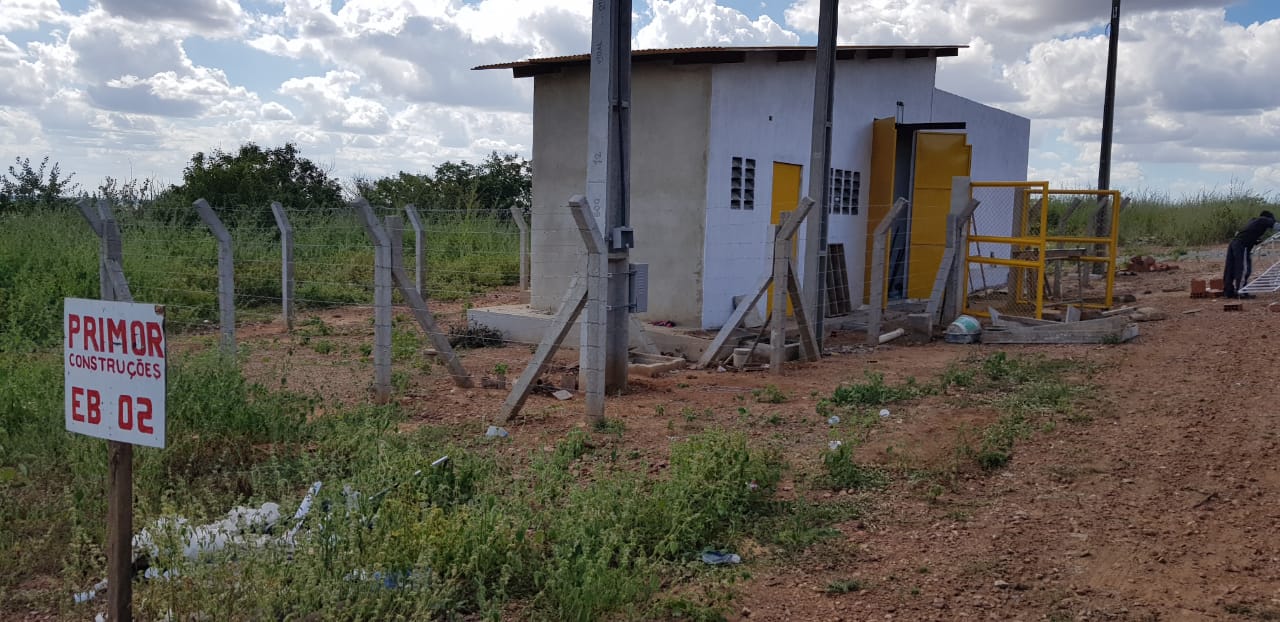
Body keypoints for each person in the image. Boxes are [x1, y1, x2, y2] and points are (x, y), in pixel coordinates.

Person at [1223, 210, 1277, 298]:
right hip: (1242, 245)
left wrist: (1256, 241)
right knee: (1243, 268)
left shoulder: (1253, 221)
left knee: (1230, 267)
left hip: (1234, 242)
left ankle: (1228, 292)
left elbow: (1248, 233)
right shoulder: (1264, 219)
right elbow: (1276, 225)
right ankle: (1241, 292)